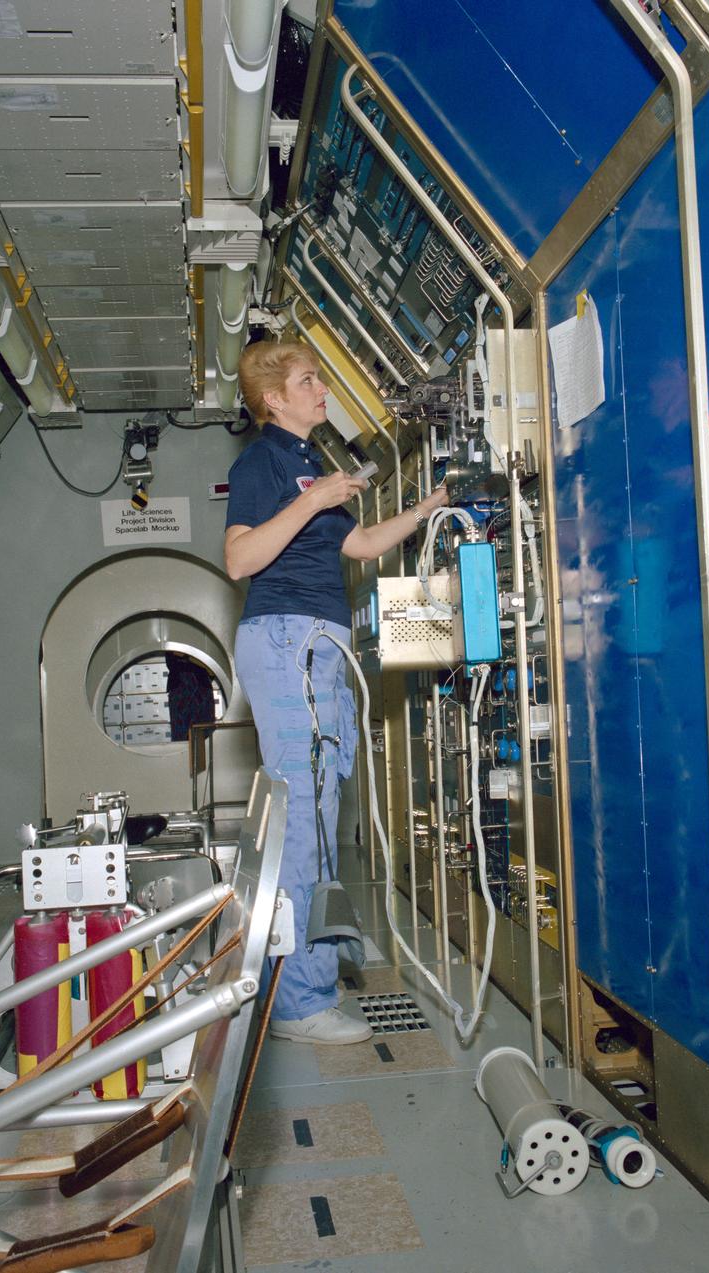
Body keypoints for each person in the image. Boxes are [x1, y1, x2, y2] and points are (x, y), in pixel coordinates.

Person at [225, 339, 448, 1044]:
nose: (322, 389)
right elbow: (240, 558)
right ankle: (299, 1003)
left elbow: (357, 546)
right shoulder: (261, 461)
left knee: (319, 811)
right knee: (305, 825)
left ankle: (294, 981)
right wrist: (315, 498)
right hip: (286, 636)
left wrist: (429, 507)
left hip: (318, 640)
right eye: (308, 380)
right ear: (274, 399)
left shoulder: (305, 462)